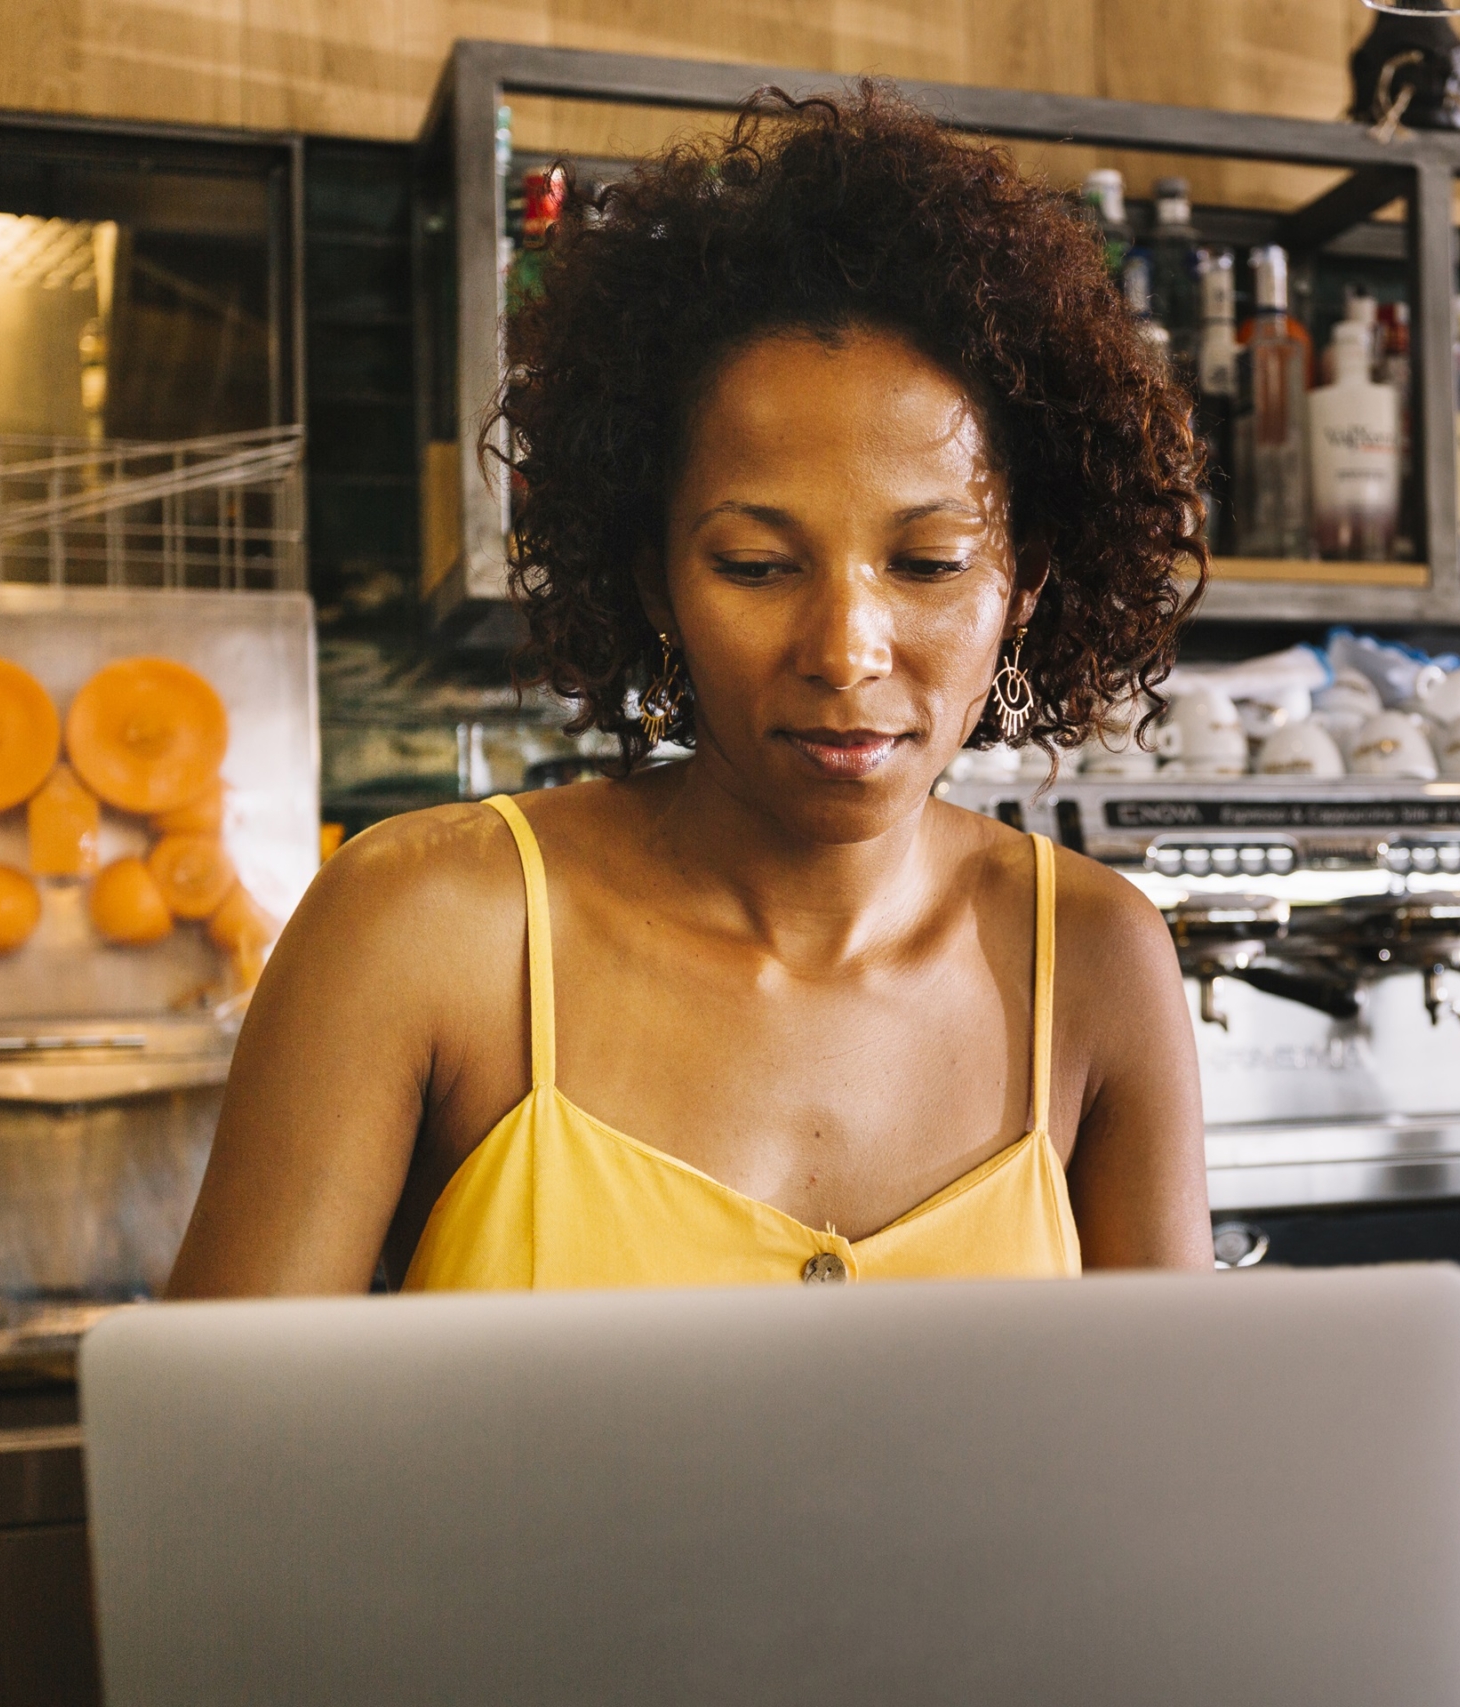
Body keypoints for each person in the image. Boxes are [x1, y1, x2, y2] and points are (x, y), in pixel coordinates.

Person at [167, 87, 1212, 1295]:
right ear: (653, 579)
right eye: (756, 566)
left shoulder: (1094, 960)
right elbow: (218, 1471)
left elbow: (1162, 1468)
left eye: (928, 565)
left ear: (1023, 586)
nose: (845, 650)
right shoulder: (427, 930)